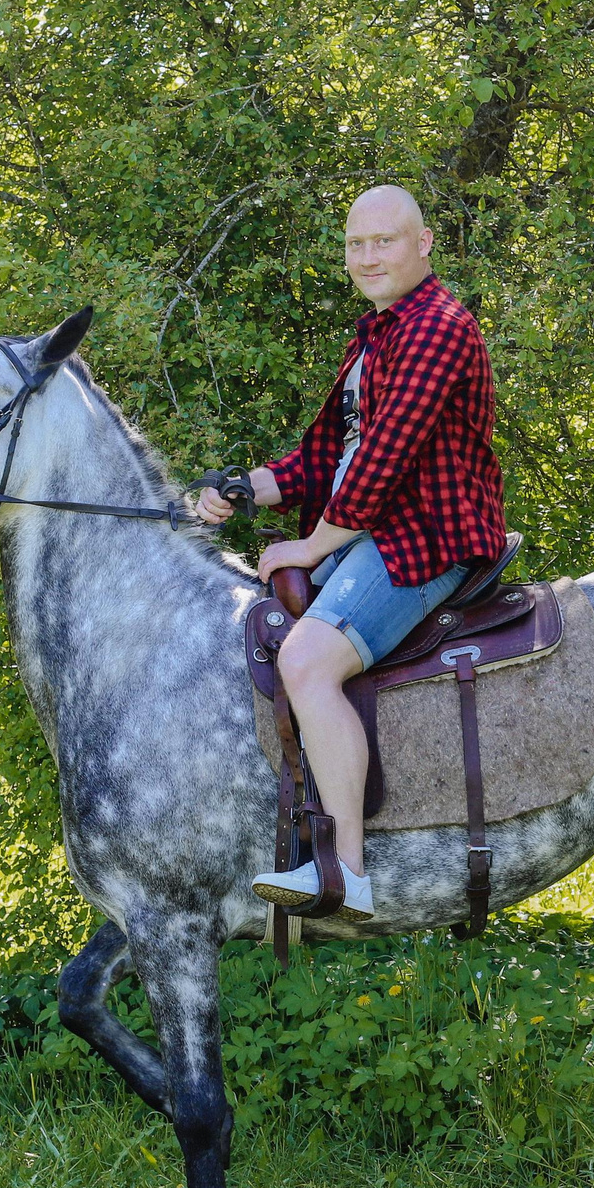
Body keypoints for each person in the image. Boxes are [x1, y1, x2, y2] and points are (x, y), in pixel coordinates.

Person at [193, 184, 508, 922]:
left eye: (385, 241)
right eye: (356, 244)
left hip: (423, 537)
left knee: (306, 660)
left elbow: (384, 461)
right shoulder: (375, 334)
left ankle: (346, 876)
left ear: (424, 243)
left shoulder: (439, 326)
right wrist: (243, 489)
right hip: (368, 531)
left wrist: (309, 542)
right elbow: (321, 458)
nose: (368, 256)